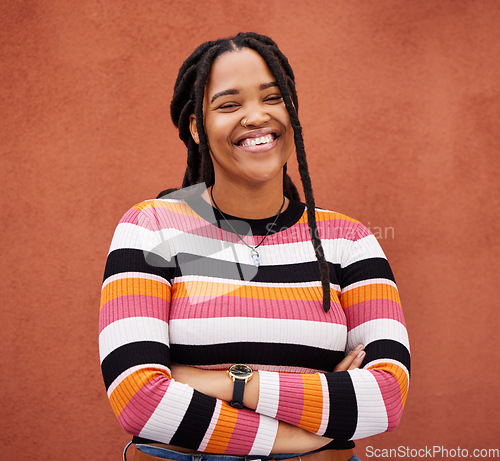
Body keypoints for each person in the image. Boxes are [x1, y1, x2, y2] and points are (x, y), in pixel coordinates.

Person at [99, 32, 410, 461]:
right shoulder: (151, 227)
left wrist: (230, 382)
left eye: (273, 98)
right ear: (197, 127)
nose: (256, 116)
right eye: (229, 105)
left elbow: (386, 396)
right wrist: (302, 436)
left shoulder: (349, 241)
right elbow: (138, 399)